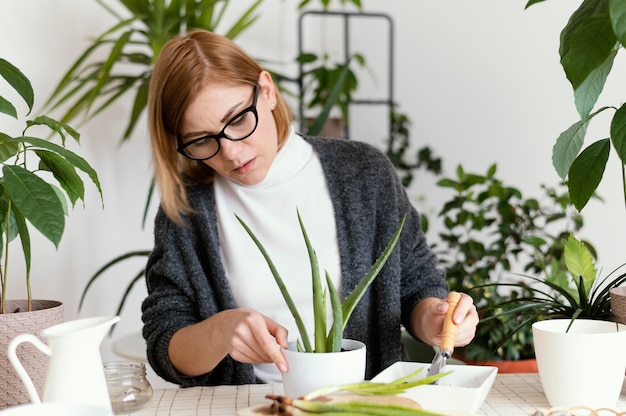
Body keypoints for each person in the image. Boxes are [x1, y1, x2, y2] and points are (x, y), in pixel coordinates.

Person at [141, 29, 479, 387]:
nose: (232, 153)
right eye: (201, 140)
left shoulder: (364, 173)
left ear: (267, 91)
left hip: (363, 404)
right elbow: (165, 344)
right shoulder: (186, 210)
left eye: (238, 120)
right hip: (251, 408)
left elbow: (416, 284)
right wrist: (220, 332)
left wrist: (433, 319)